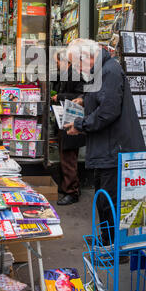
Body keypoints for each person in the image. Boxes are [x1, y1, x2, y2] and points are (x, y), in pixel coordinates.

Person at [64, 38, 146, 245]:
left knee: (111, 201)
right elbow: (102, 97)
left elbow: (108, 111)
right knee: (103, 197)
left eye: (76, 63)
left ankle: (115, 248)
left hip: (114, 147)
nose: (76, 69)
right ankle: (107, 240)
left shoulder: (110, 70)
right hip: (107, 147)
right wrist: (84, 98)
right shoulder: (100, 70)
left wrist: (80, 125)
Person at [51, 50, 85, 205]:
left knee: (69, 156)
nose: (56, 66)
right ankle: (67, 187)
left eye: (57, 62)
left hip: (72, 119)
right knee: (65, 155)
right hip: (65, 119)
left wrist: (59, 97)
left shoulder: (76, 74)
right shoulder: (66, 74)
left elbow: (80, 97)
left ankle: (72, 191)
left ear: (65, 61)